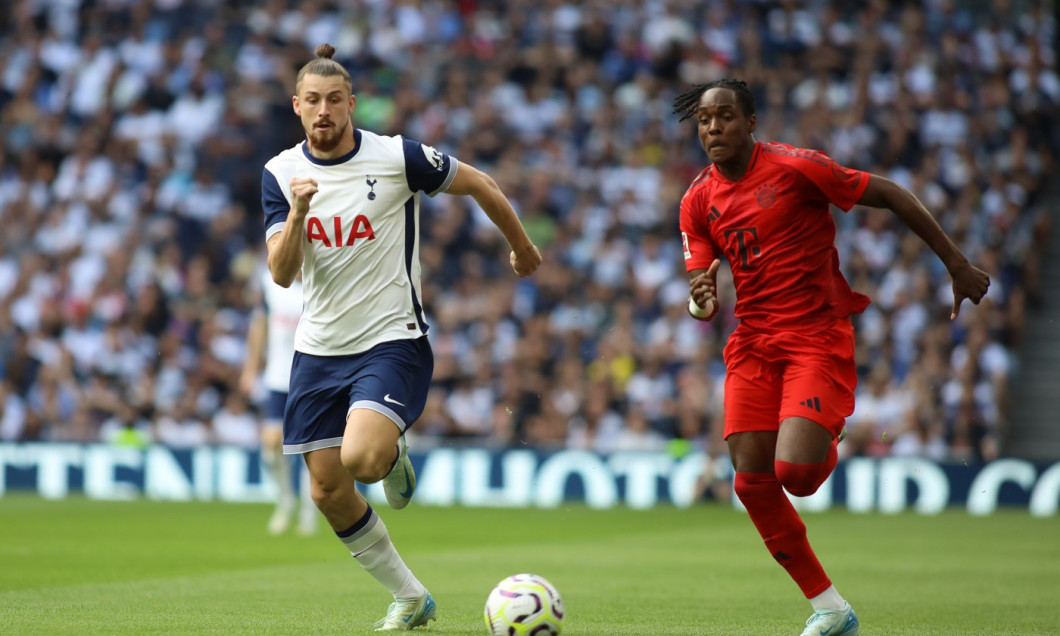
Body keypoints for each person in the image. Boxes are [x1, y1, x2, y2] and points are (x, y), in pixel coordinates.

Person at [673, 78, 990, 636]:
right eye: (704, 119)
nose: (713, 127)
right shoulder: (697, 199)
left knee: (795, 474)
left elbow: (890, 193)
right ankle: (831, 608)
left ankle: (826, 431)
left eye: (725, 116)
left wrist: (956, 264)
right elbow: (701, 287)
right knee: (750, 483)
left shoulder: (797, 168)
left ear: (750, 123)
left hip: (814, 335)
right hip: (751, 342)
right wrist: (701, 302)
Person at [261, 44, 541, 631]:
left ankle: (390, 452)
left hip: (392, 338)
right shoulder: (281, 174)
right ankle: (411, 596)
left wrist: (520, 245)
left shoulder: (396, 158)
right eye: (312, 101)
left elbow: (482, 184)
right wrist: (298, 212)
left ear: (352, 104)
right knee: (325, 490)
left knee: (361, 459)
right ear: (296, 106)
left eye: (334, 100)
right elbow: (282, 274)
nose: (324, 111)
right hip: (317, 349)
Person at [239, 266, 318, 536]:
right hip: (278, 376)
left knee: (310, 447)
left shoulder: (320, 282)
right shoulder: (270, 283)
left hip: (312, 379)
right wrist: (250, 368)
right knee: (271, 444)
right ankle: (286, 499)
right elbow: (259, 325)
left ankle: (310, 509)